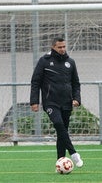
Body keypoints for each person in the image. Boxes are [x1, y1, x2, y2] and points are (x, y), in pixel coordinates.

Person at [30, 37, 83, 168]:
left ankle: (61, 161)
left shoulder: (70, 62)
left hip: (66, 102)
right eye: (59, 47)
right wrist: (34, 101)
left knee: (62, 132)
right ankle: (73, 153)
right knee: (59, 124)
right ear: (53, 47)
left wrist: (76, 98)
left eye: (64, 46)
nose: (62, 49)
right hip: (50, 102)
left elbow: (76, 83)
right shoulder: (44, 61)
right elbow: (35, 82)